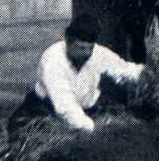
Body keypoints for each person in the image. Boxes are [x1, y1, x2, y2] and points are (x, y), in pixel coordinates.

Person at [8, 13, 145, 136]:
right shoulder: (53, 59)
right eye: (81, 48)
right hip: (48, 111)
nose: (86, 53)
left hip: (89, 110)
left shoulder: (98, 53)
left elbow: (125, 69)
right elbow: (65, 107)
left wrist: (146, 74)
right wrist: (94, 129)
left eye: (90, 48)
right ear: (67, 41)